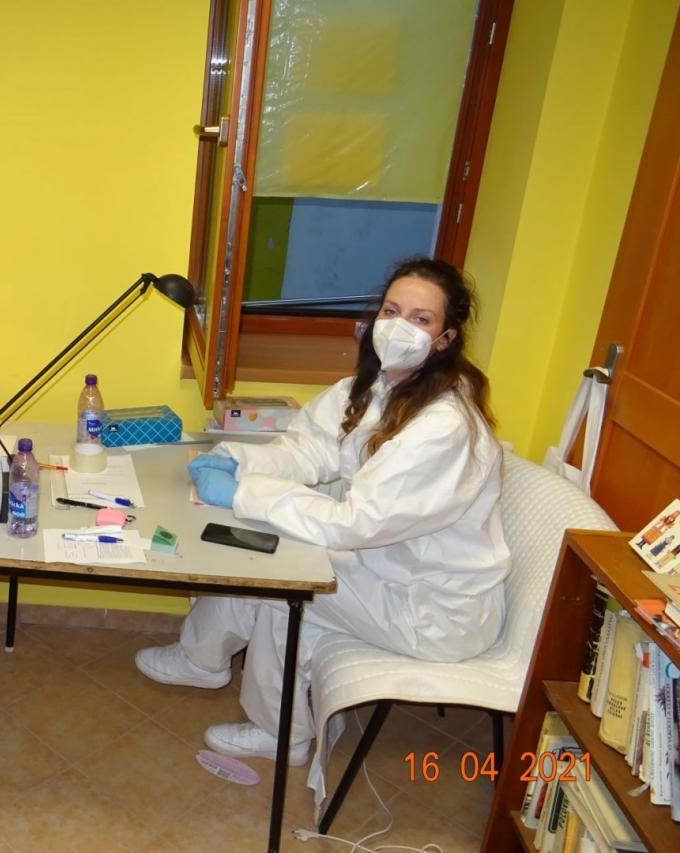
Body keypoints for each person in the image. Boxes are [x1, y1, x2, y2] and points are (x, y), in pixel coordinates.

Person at [136, 257, 509, 765]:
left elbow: (354, 523)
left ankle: (280, 734)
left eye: (420, 319)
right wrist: (238, 460)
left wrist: (244, 493)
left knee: (282, 580)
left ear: (446, 339)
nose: (398, 327)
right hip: (387, 569)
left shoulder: (443, 426)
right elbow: (309, 449)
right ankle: (201, 658)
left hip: (431, 608)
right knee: (258, 538)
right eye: (391, 311)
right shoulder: (378, 388)